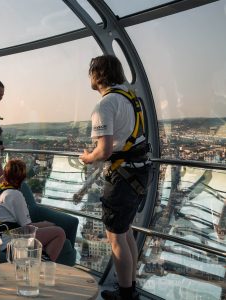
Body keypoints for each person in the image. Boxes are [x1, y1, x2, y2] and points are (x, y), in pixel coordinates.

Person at [80, 55, 150, 300]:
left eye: (91, 72)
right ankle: (129, 287)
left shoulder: (105, 104)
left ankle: (126, 294)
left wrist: (88, 157)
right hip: (139, 171)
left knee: (116, 236)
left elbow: (105, 150)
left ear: (97, 74)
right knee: (125, 230)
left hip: (122, 176)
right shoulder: (132, 98)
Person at [0, 159, 66, 262]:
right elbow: (27, 229)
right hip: (9, 243)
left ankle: (37, 260)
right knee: (59, 232)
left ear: (5, 175)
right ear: (22, 178)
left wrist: (6, 174)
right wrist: (45, 223)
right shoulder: (15, 195)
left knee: (50, 229)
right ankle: (44, 267)